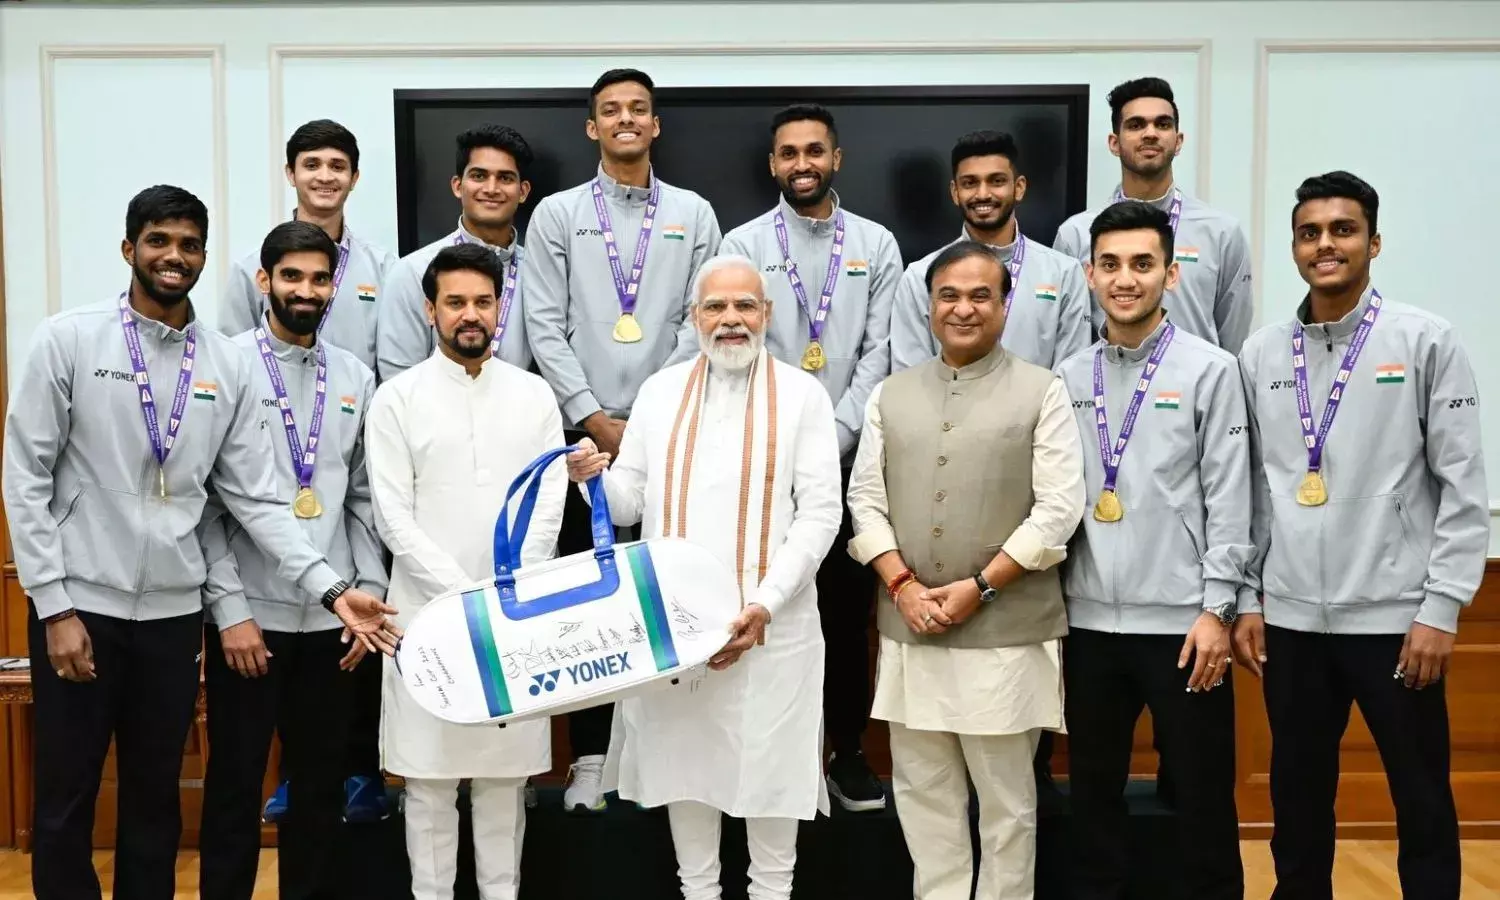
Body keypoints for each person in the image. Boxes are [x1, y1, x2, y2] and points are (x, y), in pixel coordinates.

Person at [0, 185, 398, 900]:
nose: (173, 256)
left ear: (205, 257)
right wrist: (54, 606)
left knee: (154, 800)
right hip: (80, 605)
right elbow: (25, 476)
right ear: (130, 249)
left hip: (174, 616)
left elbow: (253, 497)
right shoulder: (69, 338)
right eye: (159, 241)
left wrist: (333, 590)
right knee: (65, 799)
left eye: (188, 245)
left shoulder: (225, 362)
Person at [1234, 171, 1487, 900]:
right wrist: (1248, 598)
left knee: (1421, 795)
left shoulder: (1426, 340)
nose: (1325, 244)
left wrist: (1441, 608)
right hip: (1290, 622)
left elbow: (1462, 486)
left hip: (1396, 622)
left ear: (1373, 243)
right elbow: (1251, 490)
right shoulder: (1261, 355)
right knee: (1297, 797)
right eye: (1309, 233)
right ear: (1294, 247)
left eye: (1342, 230)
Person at [564, 254, 842, 900]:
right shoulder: (661, 393)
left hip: (774, 627)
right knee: (686, 774)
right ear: (694, 318)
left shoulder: (803, 395)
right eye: (715, 307)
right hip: (678, 630)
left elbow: (821, 513)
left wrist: (765, 604)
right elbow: (628, 504)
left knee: (772, 779)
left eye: (745, 306)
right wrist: (592, 481)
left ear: (767, 314)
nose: (730, 320)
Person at [676, 103, 898, 811]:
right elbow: (727, 342)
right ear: (773, 164)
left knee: (845, 614)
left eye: (815, 151)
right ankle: (757, 757)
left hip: (850, 458)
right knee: (755, 605)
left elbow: (880, 352)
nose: (803, 164)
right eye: (789, 153)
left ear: (836, 159)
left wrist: (829, 436)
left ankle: (847, 753)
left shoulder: (876, 244)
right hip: (758, 469)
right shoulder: (741, 242)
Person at [847, 241, 1085, 900]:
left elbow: (1059, 509)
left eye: (981, 295)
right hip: (911, 628)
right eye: (949, 295)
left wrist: (981, 588)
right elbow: (864, 500)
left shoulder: (1044, 391)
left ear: (1006, 306)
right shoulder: (890, 394)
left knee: (1006, 806)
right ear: (929, 306)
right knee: (924, 797)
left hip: (1005, 634)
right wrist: (902, 586)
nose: (963, 308)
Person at [522, 67, 721, 812]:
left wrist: (649, 414)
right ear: (592, 127)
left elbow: (699, 323)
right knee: (585, 594)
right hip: (582, 438)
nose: (626, 119)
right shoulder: (557, 215)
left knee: (664, 591)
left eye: (639, 109)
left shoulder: (694, 213)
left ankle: (664, 749)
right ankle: (590, 758)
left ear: (656, 124)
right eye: (611, 110)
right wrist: (590, 413)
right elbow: (544, 322)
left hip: (670, 431)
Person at [1054, 201, 1247, 900]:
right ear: (1089, 274)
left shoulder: (1211, 370)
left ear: (1171, 274)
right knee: (1092, 797)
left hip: (1184, 626)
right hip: (1087, 625)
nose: (1125, 279)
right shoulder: (1068, 376)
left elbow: (1231, 496)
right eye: (1110, 264)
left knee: (1202, 796)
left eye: (1142, 264)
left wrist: (1218, 610)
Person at [365, 242, 566, 900]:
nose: (470, 314)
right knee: (428, 784)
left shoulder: (534, 395)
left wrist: (509, 589)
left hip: (514, 615)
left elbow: (548, 500)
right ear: (431, 311)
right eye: (455, 302)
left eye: (483, 301)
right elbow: (393, 516)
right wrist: (465, 596)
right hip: (426, 618)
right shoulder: (396, 399)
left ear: (500, 307)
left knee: (504, 784)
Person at [196, 221, 387, 900]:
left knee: (320, 791)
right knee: (235, 785)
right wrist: (230, 612)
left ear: (334, 286)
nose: (306, 291)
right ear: (264, 281)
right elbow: (207, 505)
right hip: (250, 625)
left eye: (319, 279)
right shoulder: (225, 366)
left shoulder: (355, 376)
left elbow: (362, 498)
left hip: (334, 626)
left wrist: (368, 592)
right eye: (292, 277)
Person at [1054, 77, 1253, 355]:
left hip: (1196, 380)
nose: (1150, 133)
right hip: (1106, 380)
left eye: (1162, 124)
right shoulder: (1076, 234)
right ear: (1114, 143)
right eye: (1136, 125)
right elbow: (1071, 335)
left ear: (1178, 141)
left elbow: (1232, 339)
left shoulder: (1222, 232)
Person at [892, 129, 1090, 372]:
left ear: (1019, 187)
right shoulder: (919, 277)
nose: (983, 194)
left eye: (996, 181)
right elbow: (910, 377)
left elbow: (1071, 374)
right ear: (955, 192)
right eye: (970, 183)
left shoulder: (1063, 274)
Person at [219, 119, 396, 373]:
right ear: (291, 174)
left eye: (337, 166)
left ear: (354, 178)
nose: (325, 177)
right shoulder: (251, 269)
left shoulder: (384, 269)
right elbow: (231, 363)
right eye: (312, 165)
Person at [378, 124, 537, 381]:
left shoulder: (539, 272)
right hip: (431, 407)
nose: (491, 188)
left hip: (518, 405)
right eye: (479, 176)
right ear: (457, 185)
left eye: (505, 178)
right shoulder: (412, 272)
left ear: (523, 192)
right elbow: (399, 379)